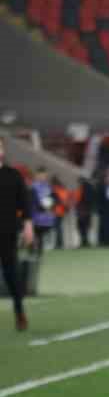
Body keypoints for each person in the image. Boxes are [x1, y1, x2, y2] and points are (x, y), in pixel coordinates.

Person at [0, 136, 36, 330]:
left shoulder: (13, 175)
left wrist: (28, 227)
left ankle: (19, 311)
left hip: (6, 231)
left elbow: (24, 204)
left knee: (10, 273)